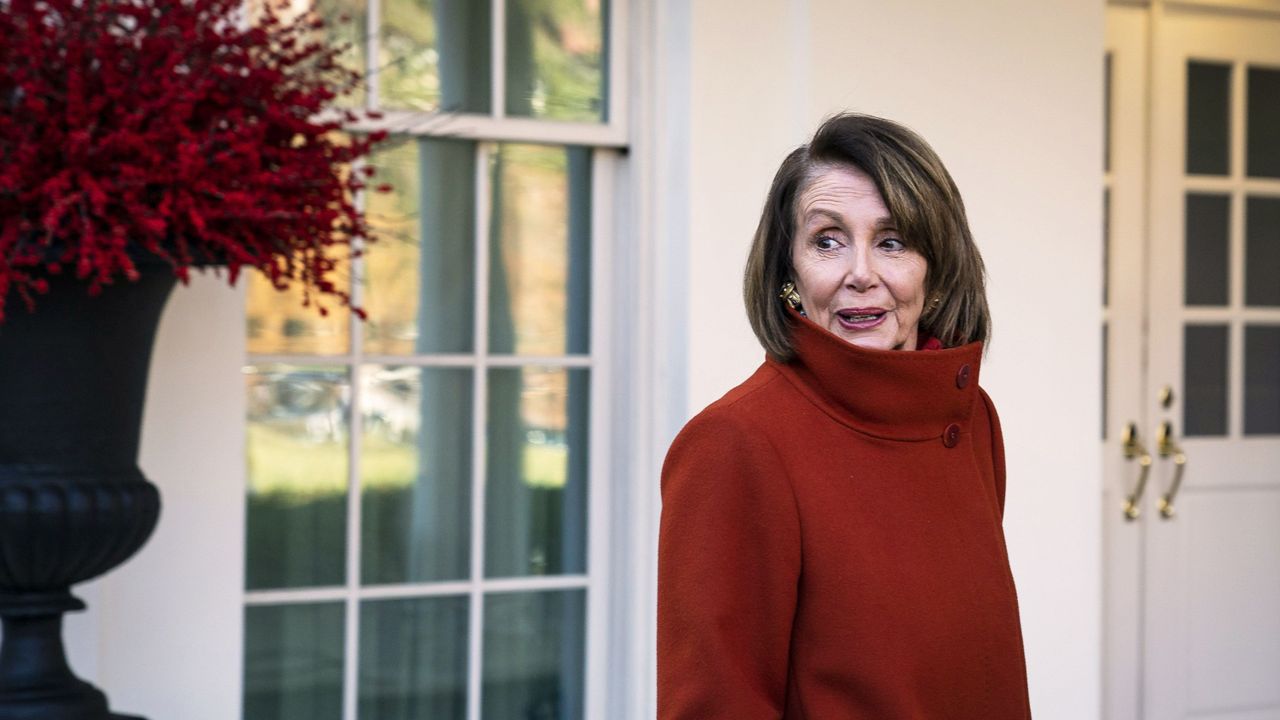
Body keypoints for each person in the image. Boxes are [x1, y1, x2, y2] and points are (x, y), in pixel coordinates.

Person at [657, 113, 1031, 719]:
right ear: (788, 273)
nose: (861, 274)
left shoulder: (972, 417)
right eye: (827, 240)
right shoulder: (734, 443)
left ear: (934, 269)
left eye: (892, 241)